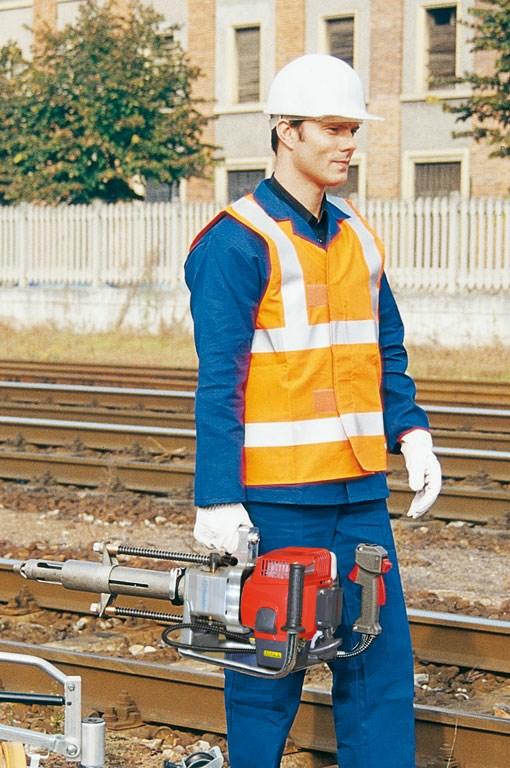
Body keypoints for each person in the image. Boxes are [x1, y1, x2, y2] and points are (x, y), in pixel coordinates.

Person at [184, 54, 442, 768]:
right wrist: (217, 497)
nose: (348, 144)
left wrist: (411, 429)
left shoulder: (358, 237)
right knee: (268, 675)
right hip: (276, 501)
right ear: (285, 131)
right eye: (333, 128)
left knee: (379, 674)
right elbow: (220, 383)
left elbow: (383, 350)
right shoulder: (236, 242)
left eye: (353, 129)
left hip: (359, 495)